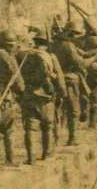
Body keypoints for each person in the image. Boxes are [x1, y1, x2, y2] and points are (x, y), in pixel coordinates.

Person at [16, 28, 65, 164]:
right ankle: (46, 154)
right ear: (46, 44)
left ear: (35, 41)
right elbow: (59, 79)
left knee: (29, 128)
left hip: (28, 95)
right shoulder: (49, 57)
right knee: (47, 127)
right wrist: (62, 93)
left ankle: (31, 158)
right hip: (45, 97)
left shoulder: (23, 55)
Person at [51, 18, 88, 146]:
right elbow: (79, 63)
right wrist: (93, 58)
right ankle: (72, 138)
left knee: (57, 110)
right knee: (73, 109)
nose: (77, 37)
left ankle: (56, 138)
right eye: (75, 35)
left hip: (55, 80)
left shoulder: (52, 45)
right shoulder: (68, 46)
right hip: (68, 81)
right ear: (70, 34)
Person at [0, 29, 26, 167]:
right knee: (8, 129)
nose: (14, 48)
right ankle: (10, 159)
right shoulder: (7, 57)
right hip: (3, 97)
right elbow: (19, 84)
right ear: (8, 45)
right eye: (13, 45)